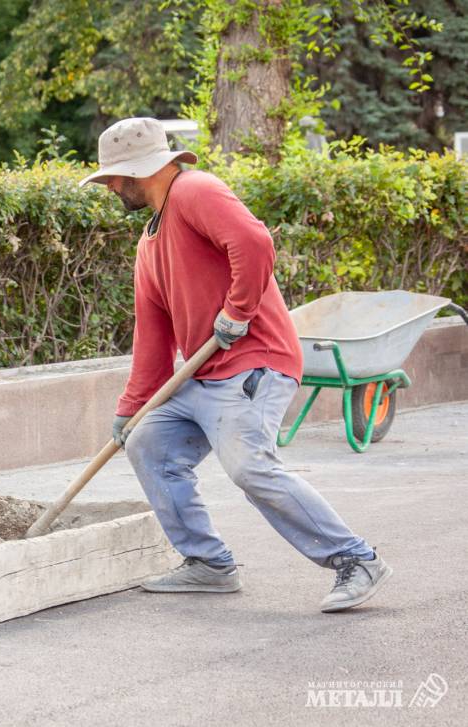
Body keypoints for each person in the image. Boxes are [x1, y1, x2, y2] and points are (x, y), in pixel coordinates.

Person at [79, 117, 391, 613]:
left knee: (249, 467)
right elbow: (152, 339)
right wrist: (130, 409)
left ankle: (356, 558)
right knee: (148, 443)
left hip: (254, 362)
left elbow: (254, 243)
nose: (111, 186)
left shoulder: (195, 191)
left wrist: (239, 310)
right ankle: (208, 564)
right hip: (202, 376)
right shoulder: (148, 245)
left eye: (116, 176)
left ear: (144, 169)